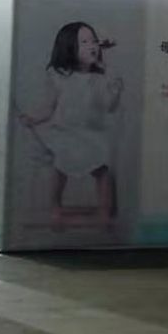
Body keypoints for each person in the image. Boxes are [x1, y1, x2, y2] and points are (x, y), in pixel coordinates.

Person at [17, 21, 122, 228]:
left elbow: (109, 106)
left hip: (92, 134)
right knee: (60, 168)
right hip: (66, 132)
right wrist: (34, 118)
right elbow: (49, 106)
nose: (92, 46)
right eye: (85, 42)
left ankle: (104, 211)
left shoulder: (99, 76)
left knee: (102, 170)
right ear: (68, 47)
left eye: (94, 41)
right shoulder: (58, 75)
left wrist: (115, 91)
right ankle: (55, 207)